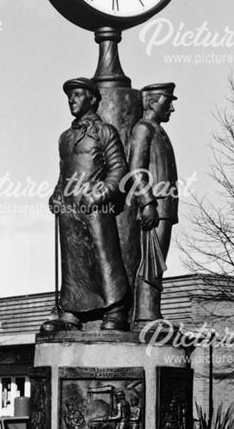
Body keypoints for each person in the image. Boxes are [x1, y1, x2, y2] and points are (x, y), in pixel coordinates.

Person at [43, 78, 130, 332]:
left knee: (104, 258)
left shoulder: (105, 132)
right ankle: (72, 312)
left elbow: (118, 169)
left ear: (92, 98)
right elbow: (63, 174)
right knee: (73, 263)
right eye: (69, 96)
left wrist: (100, 194)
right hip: (70, 211)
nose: (72, 100)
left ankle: (115, 309)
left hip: (96, 209)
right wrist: (57, 195)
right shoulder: (65, 138)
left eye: (78, 94)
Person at [125, 82, 179, 326]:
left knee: (157, 260)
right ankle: (146, 314)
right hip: (155, 205)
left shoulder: (157, 130)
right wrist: (147, 202)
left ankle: (151, 310)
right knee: (151, 259)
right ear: (150, 102)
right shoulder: (143, 129)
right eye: (167, 102)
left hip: (164, 205)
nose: (171, 108)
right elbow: (136, 169)